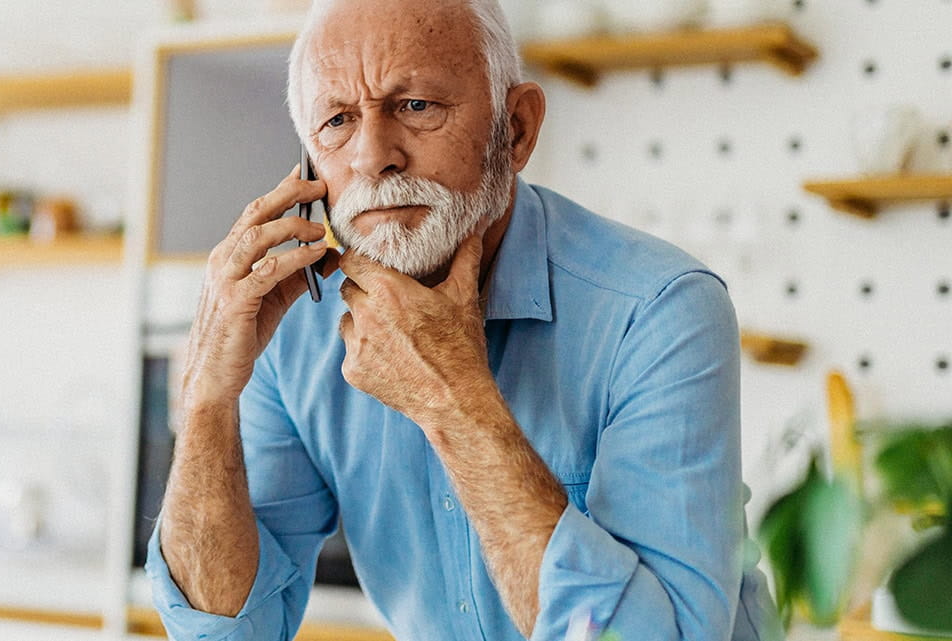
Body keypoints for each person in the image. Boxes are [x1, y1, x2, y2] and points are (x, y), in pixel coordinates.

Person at [145, 0, 783, 639]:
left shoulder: (659, 311)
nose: (374, 157)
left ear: (517, 130)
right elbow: (226, 631)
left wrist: (453, 401)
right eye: (337, 121)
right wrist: (206, 400)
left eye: (417, 107)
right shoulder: (291, 330)